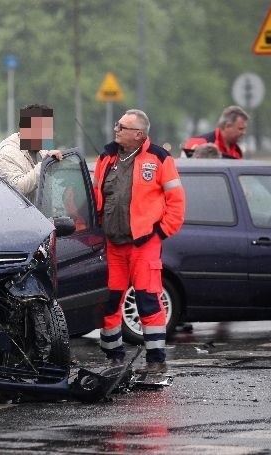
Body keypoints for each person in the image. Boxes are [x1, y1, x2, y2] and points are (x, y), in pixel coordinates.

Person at [92, 109, 186, 373]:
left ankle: (156, 361)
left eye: (122, 126)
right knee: (110, 302)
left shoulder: (159, 158)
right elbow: (94, 194)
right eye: (117, 125)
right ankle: (113, 357)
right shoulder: (106, 157)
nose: (116, 130)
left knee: (148, 301)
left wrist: (160, 233)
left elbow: (177, 202)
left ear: (138, 134)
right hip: (113, 245)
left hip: (144, 245)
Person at [0, 103, 62, 200]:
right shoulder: (7, 154)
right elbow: (17, 188)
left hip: (37, 214)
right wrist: (44, 165)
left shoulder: (42, 151)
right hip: (15, 214)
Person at [185, 105, 249, 159]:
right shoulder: (197, 142)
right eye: (240, 129)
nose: (243, 133)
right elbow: (185, 170)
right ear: (228, 126)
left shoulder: (237, 152)